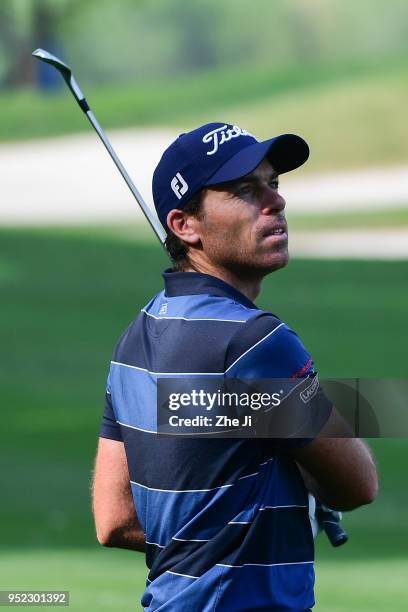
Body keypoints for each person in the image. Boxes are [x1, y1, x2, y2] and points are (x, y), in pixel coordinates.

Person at [92, 122, 378, 611]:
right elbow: (357, 484)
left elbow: (114, 519)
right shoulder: (257, 341)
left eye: (274, 184)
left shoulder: (134, 338)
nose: (275, 202)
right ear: (185, 226)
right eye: (246, 190)